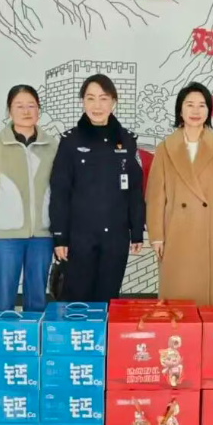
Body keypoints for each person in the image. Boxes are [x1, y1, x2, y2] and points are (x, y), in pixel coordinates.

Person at [49, 74, 144, 302]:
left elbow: (134, 191)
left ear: (113, 102)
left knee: (108, 300)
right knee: (77, 302)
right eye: (90, 98)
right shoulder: (70, 141)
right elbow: (60, 192)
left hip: (116, 238)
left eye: (103, 98)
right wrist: (60, 237)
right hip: (79, 238)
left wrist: (137, 231)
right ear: (83, 102)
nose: (97, 105)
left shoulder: (127, 141)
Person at [146, 82, 213, 306]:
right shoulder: (165, 148)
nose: (195, 111)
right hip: (175, 231)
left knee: (206, 306)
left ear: (209, 110)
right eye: (190, 105)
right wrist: (156, 235)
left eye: (201, 105)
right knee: (175, 302)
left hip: (209, 231)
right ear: (180, 109)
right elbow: (155, 196)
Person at [0, 85, 58, 312]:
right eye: (19, 106)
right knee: (3, 297)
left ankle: (33, 334)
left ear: (39, 109)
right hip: (5, 236)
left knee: (37, 298)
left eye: (31, 105)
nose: (26, 111)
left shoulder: (52, 146)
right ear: (9, 110)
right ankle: (4, 334)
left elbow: (61, 192)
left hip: (42, 234)